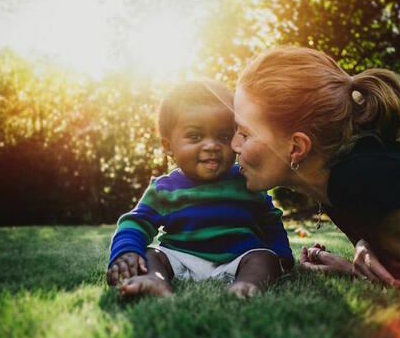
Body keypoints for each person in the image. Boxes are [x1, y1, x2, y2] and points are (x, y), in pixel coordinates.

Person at [230, 45, 400, 287]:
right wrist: (352, 266)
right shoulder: (336, 182)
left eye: (245, 133)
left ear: (297, 147)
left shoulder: (362, 178)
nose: (233, 145)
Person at [106, 79, 294, 297]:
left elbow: (270, 221)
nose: (211, 145)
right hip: (181, 258)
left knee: (264, 258)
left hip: (239, 259)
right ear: (169, 146)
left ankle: (246, 285)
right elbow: (136, 222)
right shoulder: (165, 189)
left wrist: (281, 254)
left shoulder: (247, 181)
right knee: (151, 254)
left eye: (223, 136)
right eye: (195, 136)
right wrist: (127, 251)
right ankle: (154, 280)